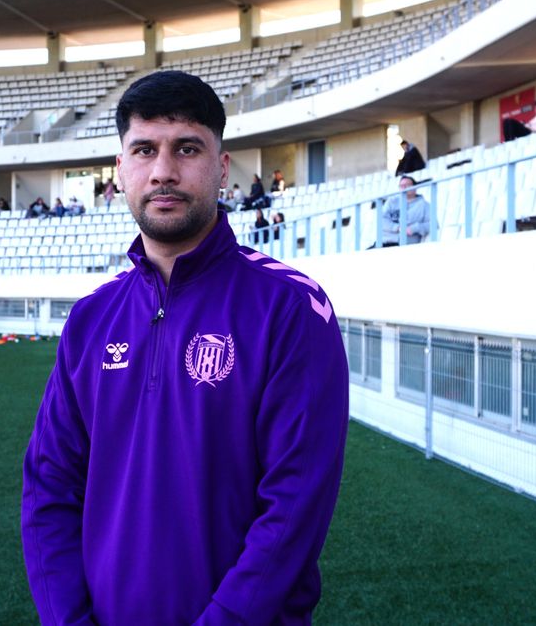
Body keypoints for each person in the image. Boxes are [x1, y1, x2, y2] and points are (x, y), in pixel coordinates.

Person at [21, 70, 348, 625]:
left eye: (187, 148)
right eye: (144, 150)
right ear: (120, 170)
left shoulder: (290, 307)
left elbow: (294, 507)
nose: (164, 171)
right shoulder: (90, 320)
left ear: (221, 167)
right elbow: (49, 489)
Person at [381, 175, 432, 246]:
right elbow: (381, 220)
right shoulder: (392, 201)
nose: (403, 188)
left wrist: (414, 228)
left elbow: (433, 224)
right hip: (384, 242)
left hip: (406, 244)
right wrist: (397, 228)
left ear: (415, 188)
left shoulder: (424, 205)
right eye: (401, 186)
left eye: (407, 185)